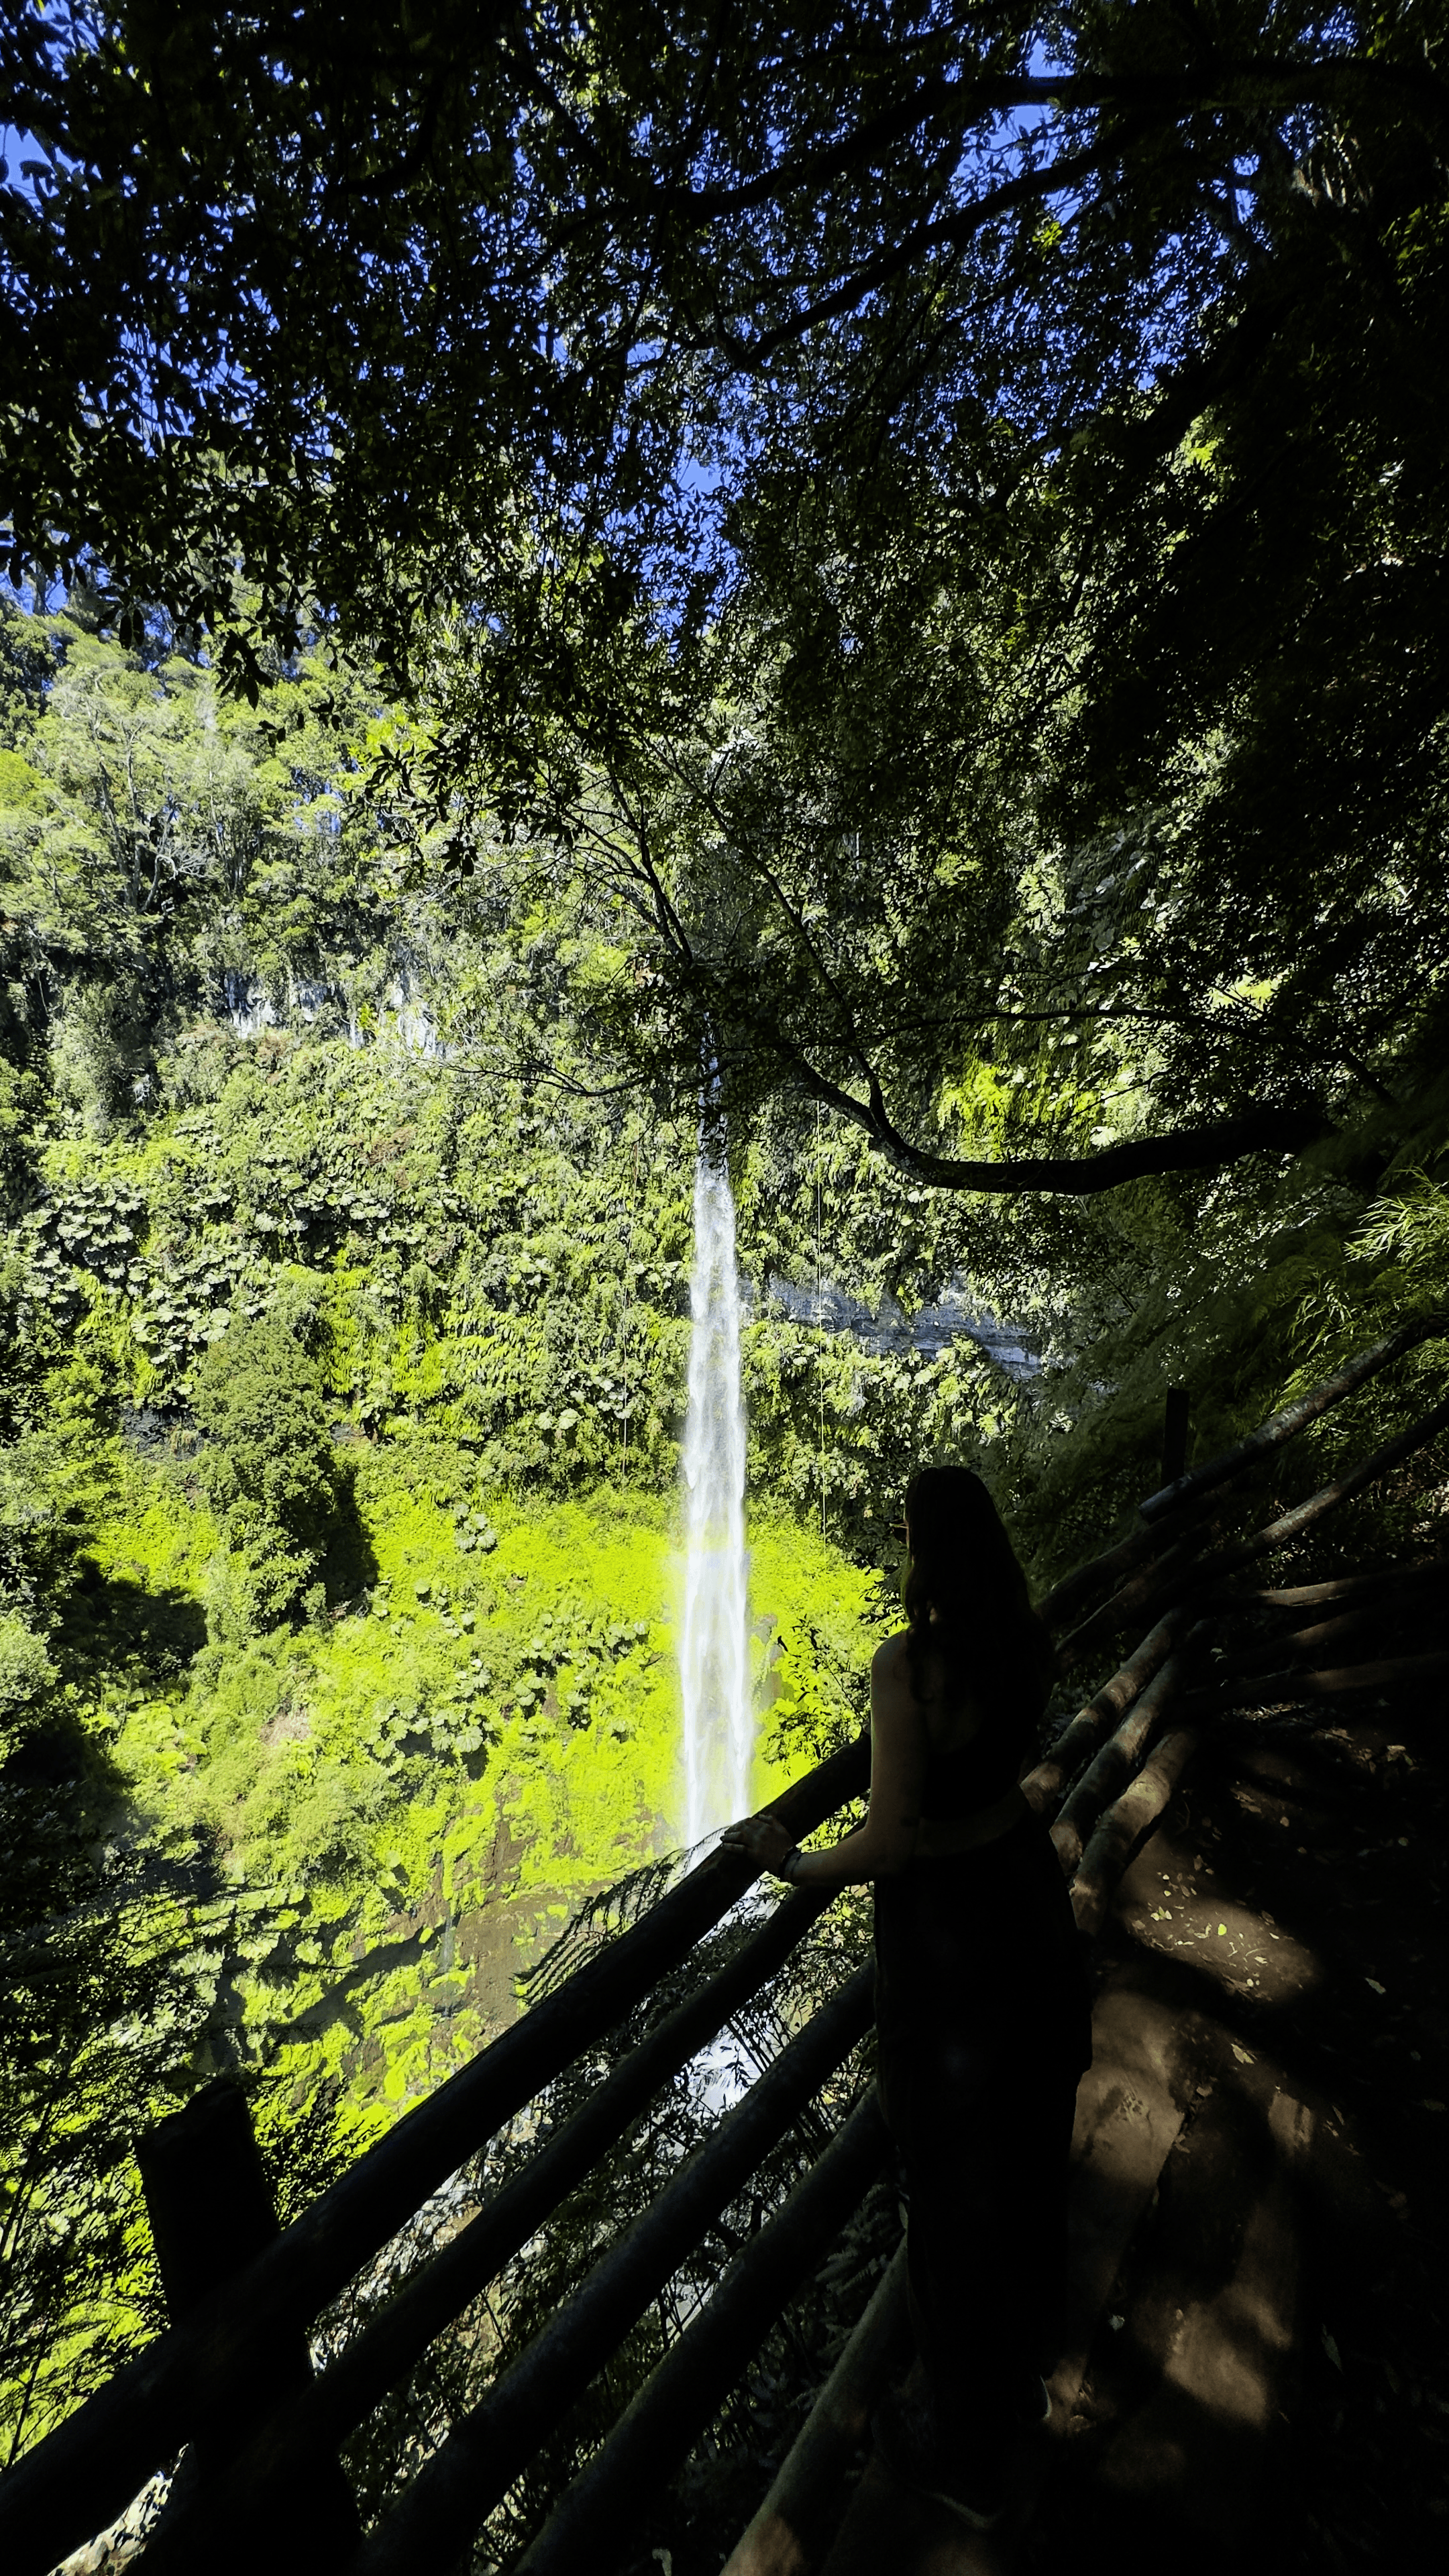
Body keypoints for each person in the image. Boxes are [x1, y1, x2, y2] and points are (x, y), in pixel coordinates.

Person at [720, 1464, 1092, 2530]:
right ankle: (1025, 2369)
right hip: (1025, 1902)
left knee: (944, 2185)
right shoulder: (1023, 1645)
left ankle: (965, 2445)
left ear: (928, 1549)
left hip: (947, 1939)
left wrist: (787, 1859)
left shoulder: (908, 1667)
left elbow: (888, 1841)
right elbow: (998, 1789)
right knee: (1027, 2144)